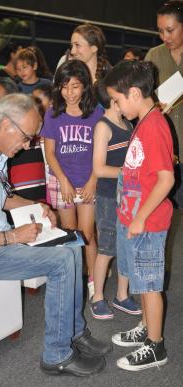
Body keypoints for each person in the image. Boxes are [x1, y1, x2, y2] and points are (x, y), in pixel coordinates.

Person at [0, 93, 112, 377]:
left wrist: (36, 205)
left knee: (74, 245)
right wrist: (13, 237)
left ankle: (75, 333)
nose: (29, 144)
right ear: (6, 125)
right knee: (60, 261)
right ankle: (56, 355)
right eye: (27, 136)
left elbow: (1, 199)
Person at [103, 60, 175, 371]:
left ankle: (156, 346)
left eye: (117, 101)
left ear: (133, 93)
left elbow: (166, 178)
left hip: (148, 223)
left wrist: (141, 217)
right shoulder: (144, 123)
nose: (116, 107)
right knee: (142, 283)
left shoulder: (155, 126)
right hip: (135, 221)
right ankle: (146, 328)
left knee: (149, 286)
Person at [41, 59, 104, 299]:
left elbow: (102, 153)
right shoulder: (53, 114)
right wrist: (64, 180)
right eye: (65, 86)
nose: (69, 92)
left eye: (75, 86)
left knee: (87, 234)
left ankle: (93, 282)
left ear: (85, 86)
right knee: (70, 233)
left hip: (88, 180)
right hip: (61, 180)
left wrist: (92, 182)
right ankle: (73, 277)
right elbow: (50, 154)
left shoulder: (96, 114)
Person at [91, 81, 141, 319]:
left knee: (126, 247)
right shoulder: (103, 126)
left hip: (129, 196)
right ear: (113, 99)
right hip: (109, 197)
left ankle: (122, 295)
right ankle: (97, 297)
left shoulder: (129, 124)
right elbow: (99, 169)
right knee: (107, 248)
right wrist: (128, 172)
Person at [145, 0, 183, 209]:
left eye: (170, 30)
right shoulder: (154, 55)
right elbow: (143, 96)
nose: (165, 37)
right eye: (160, 31)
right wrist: (153, 105)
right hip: (165, 148)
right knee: (166, 209)